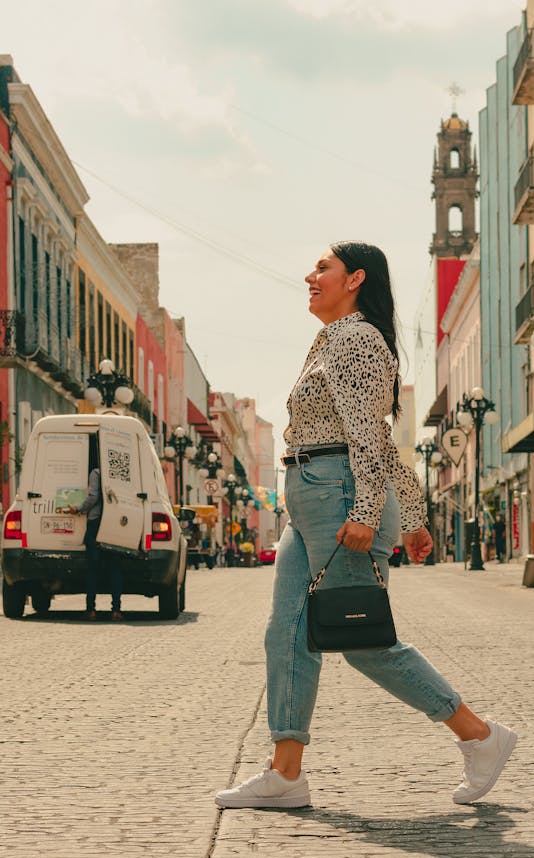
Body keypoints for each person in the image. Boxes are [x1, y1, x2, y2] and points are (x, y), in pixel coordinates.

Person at [215, 241, 517, 810]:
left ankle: (480, 736)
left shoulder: (355, 338)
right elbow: (376, 436)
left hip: (336, 493)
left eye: (322, 267)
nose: (310, 275)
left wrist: (366, 512)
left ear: (355, 279)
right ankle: (286, 774)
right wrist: (415, 513)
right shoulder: (333, 340)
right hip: (310, 496)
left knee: (362, 639)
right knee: (286, 632)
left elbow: (364, 435)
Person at [71, 437, 123, 620]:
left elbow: (92, 497)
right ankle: (116, 610)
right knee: (115, 569)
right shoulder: (120, 475)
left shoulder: (96, 472)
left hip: (95, 524)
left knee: (92, 569)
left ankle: (90, 609)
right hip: (115, 524)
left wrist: (78, 509)